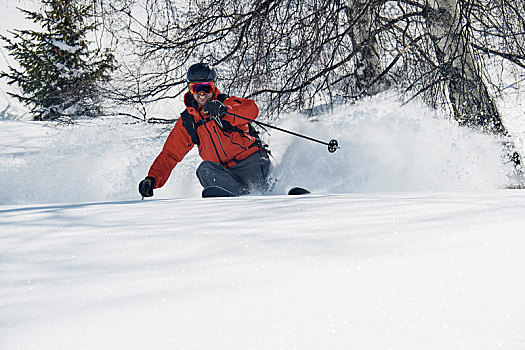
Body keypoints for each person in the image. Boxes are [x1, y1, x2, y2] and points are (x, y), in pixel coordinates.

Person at [138, 62, 271, 198]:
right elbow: (170, 154)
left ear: (213, 87)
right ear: (189, 90)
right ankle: (241, 196)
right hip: (225, 174)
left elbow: (251, 110)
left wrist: (226, 112)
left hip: (251, 162)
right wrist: (152, 179)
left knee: (262, 187)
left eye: (206, 88)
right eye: (196, 88)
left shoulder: (226, 104)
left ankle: (273, 193)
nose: (201, 94)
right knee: (204, 170)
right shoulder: (189, 121)